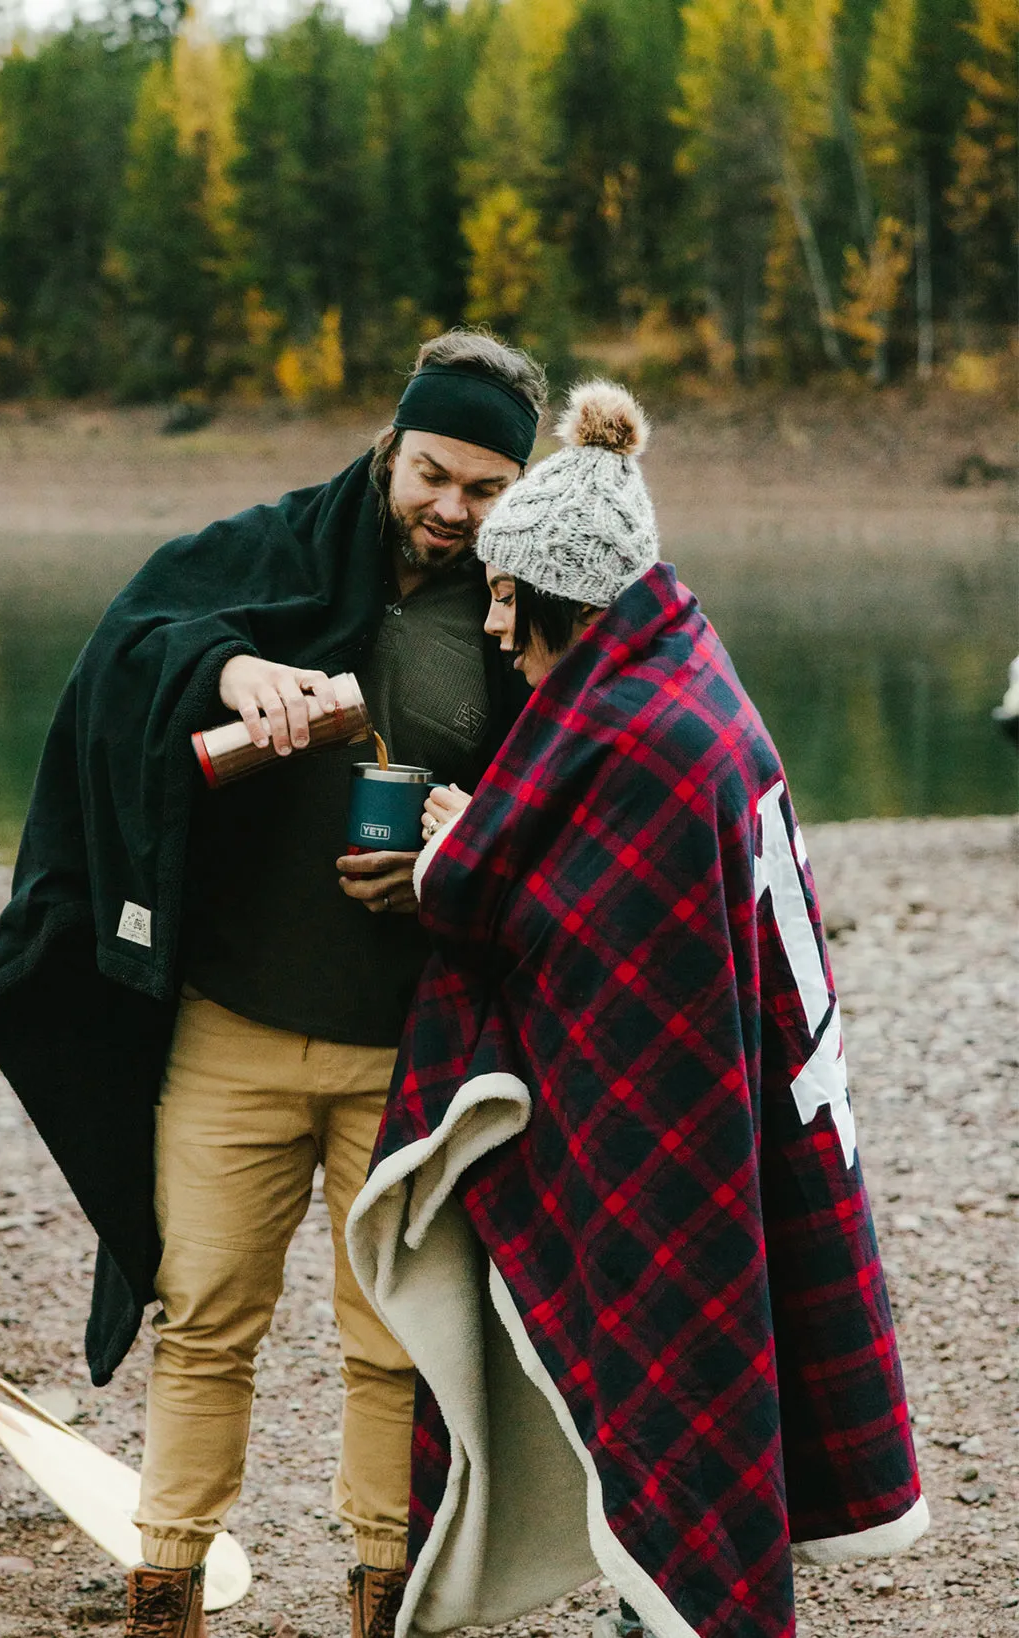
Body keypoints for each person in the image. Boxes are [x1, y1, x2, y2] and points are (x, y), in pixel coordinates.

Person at [0, 330, 541, 1638]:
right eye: (433, 473)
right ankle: (164, 1586)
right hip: (229, 1031)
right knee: (206, 1315)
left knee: (395, 1335)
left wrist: (458, 857)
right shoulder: (269, 549)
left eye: (486, 489)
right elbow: (130, 647)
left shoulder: (521, 614)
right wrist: (226, 670)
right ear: (392, 445)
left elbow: (568, 796)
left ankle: (381, 1600)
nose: (452, 510)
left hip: (411, 1046)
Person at [348, 382, 928, 1638]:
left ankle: (659, 1611)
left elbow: (575, 925)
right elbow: (570, 861)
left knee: (673, 1362)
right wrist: (484, 840)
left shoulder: (635, 729)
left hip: (674, 1140)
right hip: (762, 1104)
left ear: (564, 592)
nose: (496, 628)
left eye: (510, 598)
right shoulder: (681, 675)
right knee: (680, 1383)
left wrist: (455, 860)